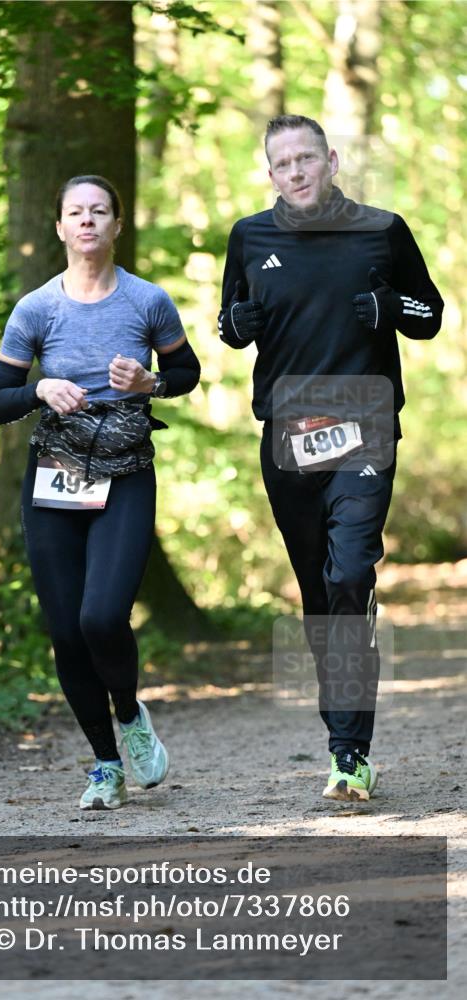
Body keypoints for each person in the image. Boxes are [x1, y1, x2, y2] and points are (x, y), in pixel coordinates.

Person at [218, 115, 443, 801]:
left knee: (349, 574)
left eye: (306, 158)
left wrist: (388, 306)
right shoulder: (249, 237)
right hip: (287, 432)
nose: (295, 172)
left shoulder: (381, 229)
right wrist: (236, 326)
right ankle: (342, 726)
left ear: (330, 160)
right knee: (320, 595)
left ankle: (349, 753)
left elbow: (428, 314)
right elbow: (227, 323)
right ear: (269, 174)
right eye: (281, 162)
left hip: (364, 424)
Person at [0, 175, 200, 811]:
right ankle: (105, 765)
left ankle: (131, 716)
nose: (87, 221)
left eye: (98, 211)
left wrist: (148, 382)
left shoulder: (147, 301)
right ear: (58, 227)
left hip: (126, 472)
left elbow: (186, 373)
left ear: (116, 224)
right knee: (67, 631)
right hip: (55, 474)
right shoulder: (36, 308)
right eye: (75, 212)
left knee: (102, 615)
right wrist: (39, 390)